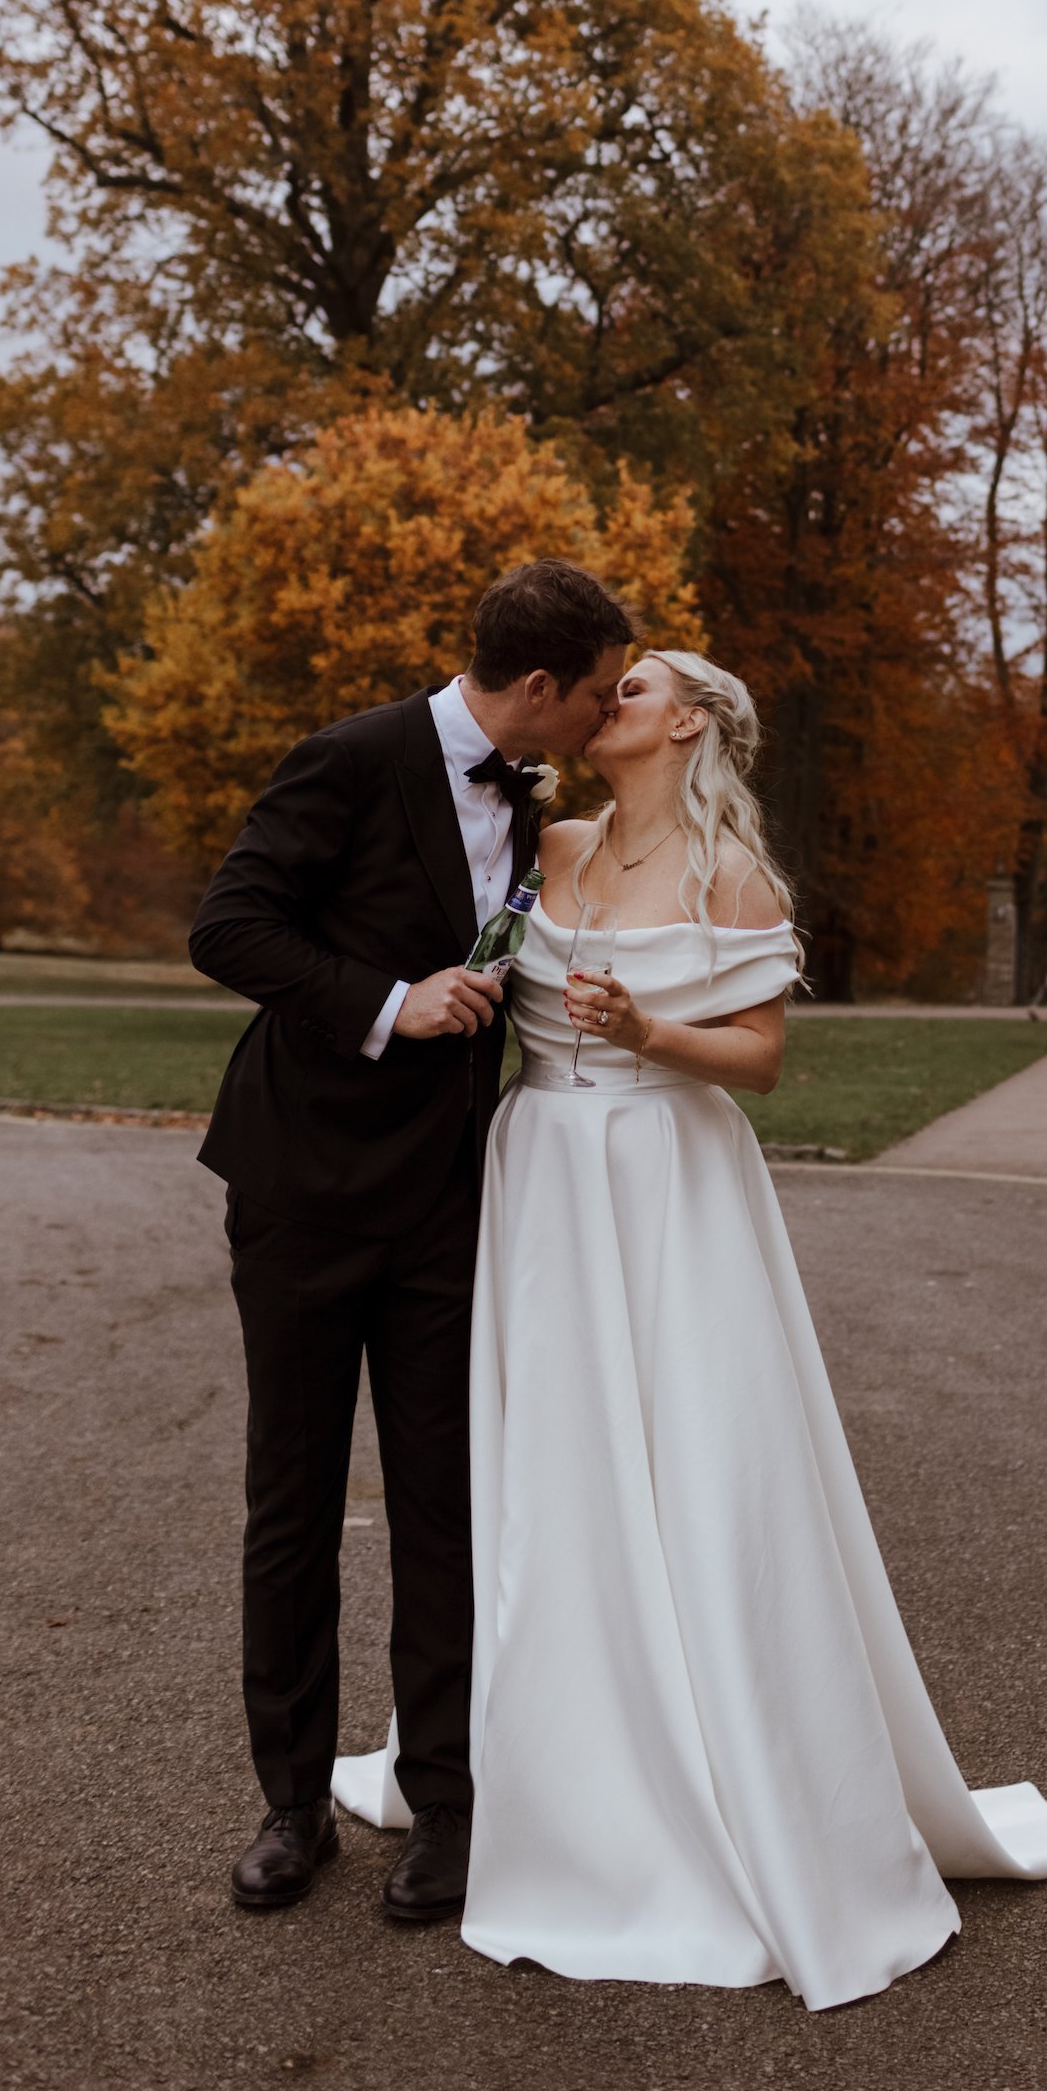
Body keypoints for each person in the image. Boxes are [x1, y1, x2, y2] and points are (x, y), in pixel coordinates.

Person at [335, 648, 1047, 2008]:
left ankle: (720, 1775)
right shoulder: (547, 840)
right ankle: (533, 1764)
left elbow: (758, 1056)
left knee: (697, 1463)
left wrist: (647, 1030)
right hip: (541, 1186)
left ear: (687, 722)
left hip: (671, 1186)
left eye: (626, 691)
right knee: (547, 1475)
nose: (598, 704)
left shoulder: (733, 879)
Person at [189, 559, 636, 1919]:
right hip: (304, 1190)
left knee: (446, 1505)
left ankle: (446, 1803)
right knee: (295, 1499)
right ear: (541, 688)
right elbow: (229, 928)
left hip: (449, 1197)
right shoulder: (351, 757)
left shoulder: (538, 792)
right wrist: (392, 1000)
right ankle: (289, 1806)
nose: (610, 712)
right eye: (603, 691)